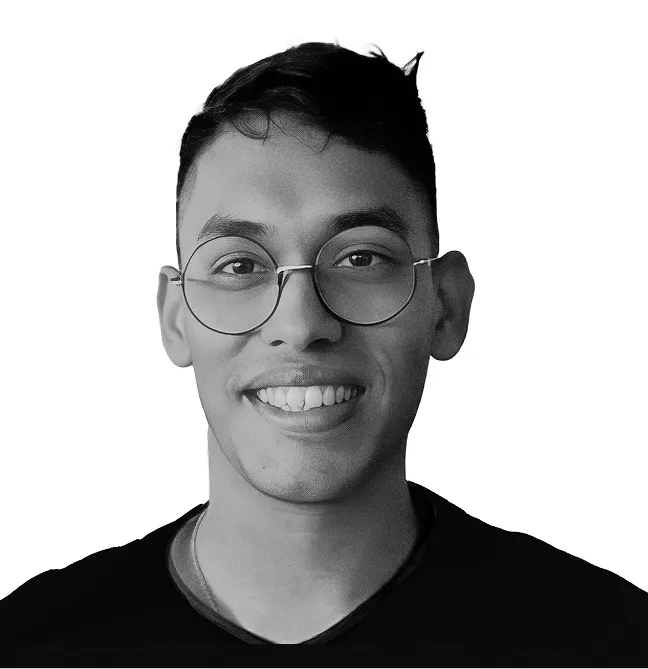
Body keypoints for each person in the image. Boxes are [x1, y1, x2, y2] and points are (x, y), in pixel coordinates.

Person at [1, 41, 647, 667]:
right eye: (239, 265)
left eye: (360, 258)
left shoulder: (611, 645)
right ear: (175, 318)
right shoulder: (29, 648)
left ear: (446, 305)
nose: (301, 322)